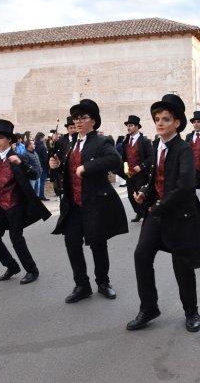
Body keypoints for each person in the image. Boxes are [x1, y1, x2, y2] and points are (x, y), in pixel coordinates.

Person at [126, 94, 200, 332]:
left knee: (182, 265)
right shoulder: (157, 145)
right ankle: (148, 308)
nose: (160, 123)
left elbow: (185, 186)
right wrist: (145, 192)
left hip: (180, 214)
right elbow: (155, 175)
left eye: (165, 119)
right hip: (157, 212)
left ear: (177, 123)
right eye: (157, 119)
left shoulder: (183, 148)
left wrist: (158, 206)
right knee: (141, 256)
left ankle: (191, 311)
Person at [49, 99, 128, 304]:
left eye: (83, 117)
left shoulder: (102, 142)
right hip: (73, 203)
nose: (78, 121)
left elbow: (114, 161)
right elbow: (64, 171)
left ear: (93, 121)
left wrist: (87, 167)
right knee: (72, 242)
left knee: (97, 243)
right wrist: (55, 165)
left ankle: (103, 282)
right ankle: (82, 285)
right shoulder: (68, 143)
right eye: (76, 118)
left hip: (95, 201)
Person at [0, 119, 51, 284]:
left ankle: (32, 270)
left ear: (9, 140)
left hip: (15, 205)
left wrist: (22, 165)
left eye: (1, 138)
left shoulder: (18, 157)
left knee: (16, 238)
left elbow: (35, 174)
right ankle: (12, 266)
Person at [120, 115, 153, 222]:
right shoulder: (126, 141)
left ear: (137, 127)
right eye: (127, 126)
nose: (128, 127)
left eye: (131, 125)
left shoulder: (144, 141)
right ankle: (140, 213)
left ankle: (148, 214)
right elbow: (124, 156)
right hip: (130, 174)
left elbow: (151, 157)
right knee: (130, 196)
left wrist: (141, 166)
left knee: (142, 195)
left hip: (141, 174)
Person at [34, 132, 50, 201]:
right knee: (42, 182)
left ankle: (37, 195)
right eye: (43, 138)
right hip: (43, 167)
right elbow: (45, 158)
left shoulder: (34, 145)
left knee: (37, 182)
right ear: (41, 138)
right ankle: (41, 195)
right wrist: (48, 166)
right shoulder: (42, 147)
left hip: (36, 166)